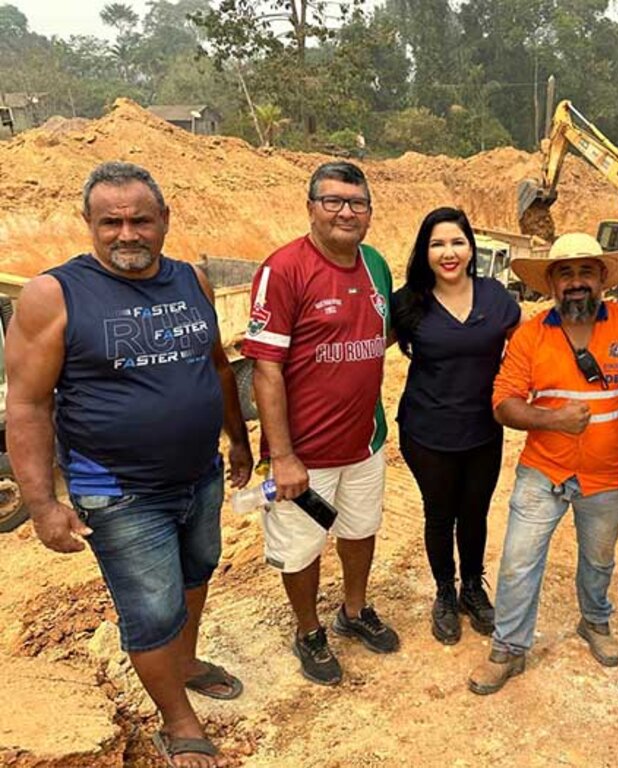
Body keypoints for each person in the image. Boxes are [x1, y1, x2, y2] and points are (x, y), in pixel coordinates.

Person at [5, 161, 253, 768]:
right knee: (152, 607)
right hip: (117, 492)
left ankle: (186, 660)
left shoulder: (190, 279)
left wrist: (237, 438)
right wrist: (42, 506)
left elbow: (217, 366)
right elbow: (28, 406)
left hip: (199, 474)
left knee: (198, 571)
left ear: (164, 220)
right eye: (110, 222)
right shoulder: (54, 295)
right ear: (87, 224)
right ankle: (180, 721)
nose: (126, 234)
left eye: (140, 220)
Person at [467, 232, 618, 695]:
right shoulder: (531, 335)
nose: (576, 283)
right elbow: (503, 403)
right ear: (550, 282)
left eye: (586, 272)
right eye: (565, 273)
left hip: (608, 475)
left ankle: (594, 622)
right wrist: (552, 419)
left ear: (603, 279)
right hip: (543, 470)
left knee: (598, 560)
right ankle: (508, 648)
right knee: (517, 562)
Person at [241, 161, 398, 687]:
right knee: (302, 548)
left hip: (365, 441)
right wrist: (282, 455)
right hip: (303, 456)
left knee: (360, 530)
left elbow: (379, 338)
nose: (345, 212)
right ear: (310, 207)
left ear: (370, 213)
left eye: (357, 203)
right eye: (332, 201)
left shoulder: (376, 264)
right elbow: (265, 369)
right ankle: (309, 630)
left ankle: (353, 612)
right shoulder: (283, 270)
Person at [391, 207, 520, 645]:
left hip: (484, 430)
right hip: (426, 432)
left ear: (471, 247)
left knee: (475, 512)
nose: (449, 252)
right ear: (424, 252)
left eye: (457, 242)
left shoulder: (495, 298)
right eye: (437, 244)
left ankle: (472, 588)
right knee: (439, 512)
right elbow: (365, 350)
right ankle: (444, 591)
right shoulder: (408, 301)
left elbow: (533, 348)